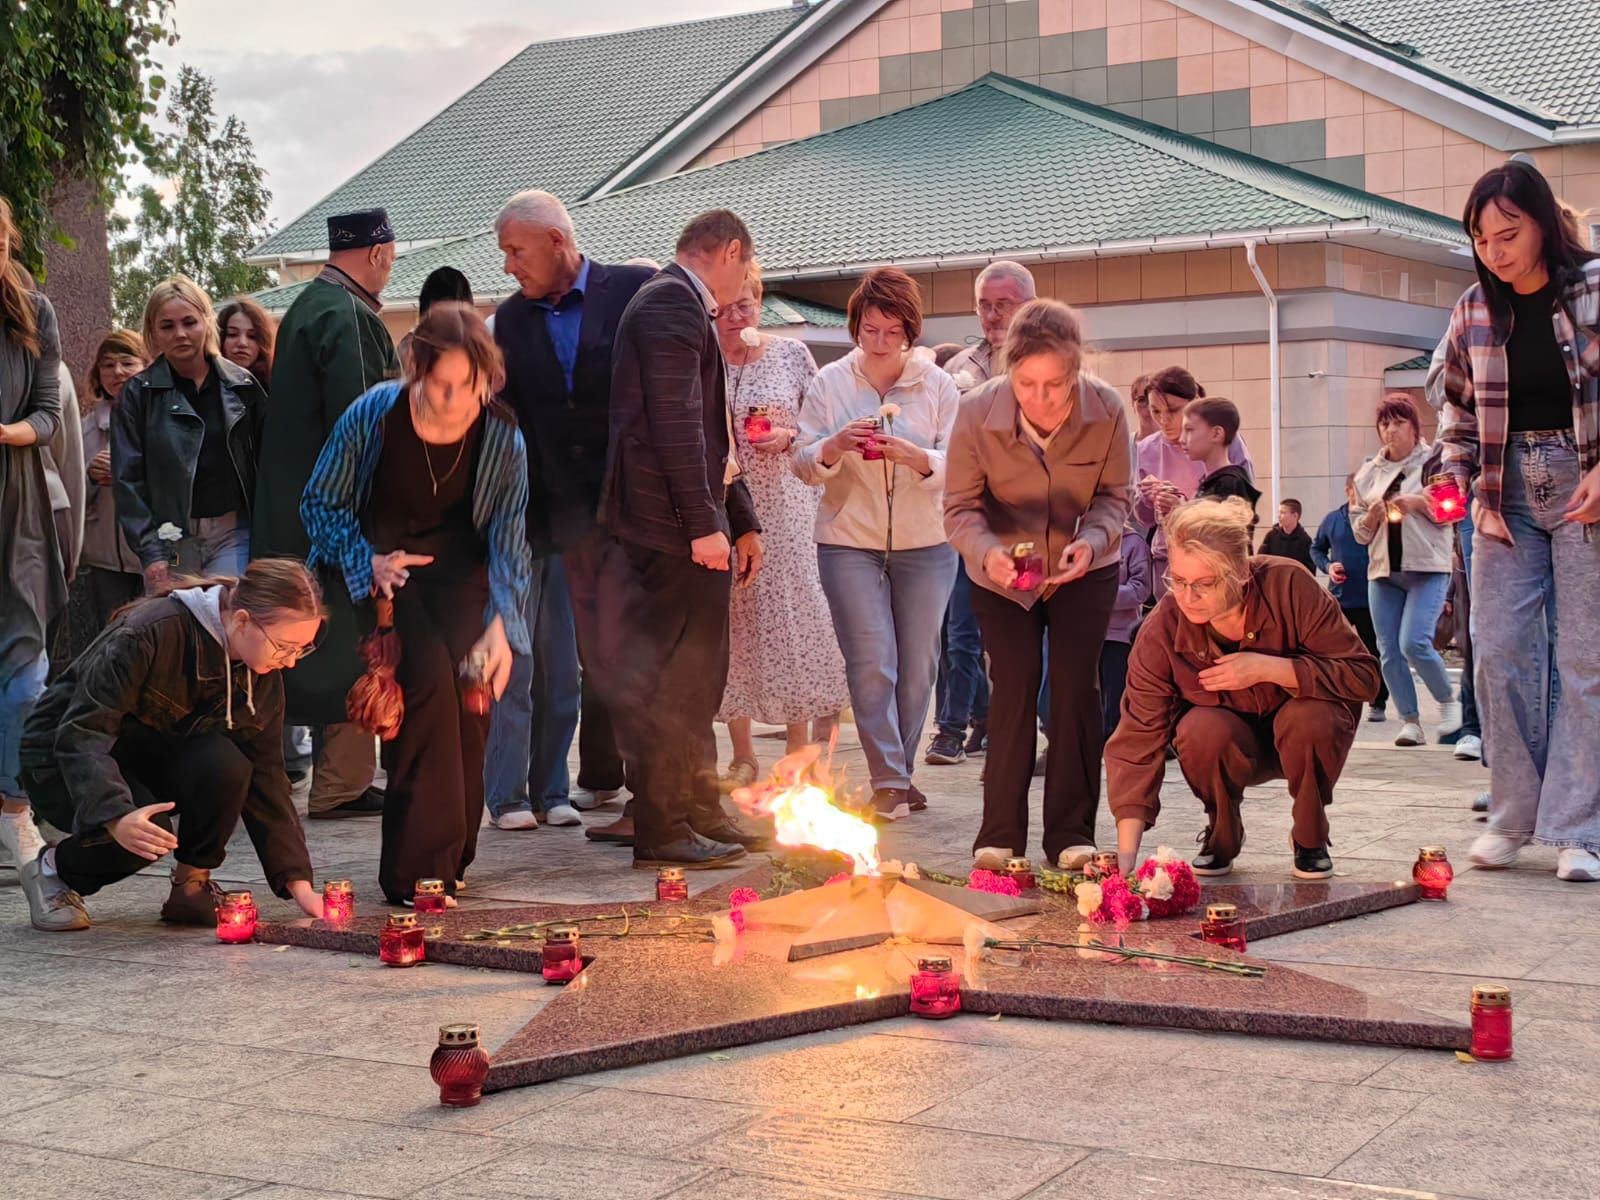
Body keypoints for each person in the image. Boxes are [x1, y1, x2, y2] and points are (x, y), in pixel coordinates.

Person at [301, 302, 532, 904]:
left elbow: (511, 538)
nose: (455, 400)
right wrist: (367, 561)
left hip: (468, 583)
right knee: (426, 693)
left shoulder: (503, 434)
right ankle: (416, 875)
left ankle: (452, 860)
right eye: (441, 384)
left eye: (469, 386)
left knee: (472, 704)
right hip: (387, 580)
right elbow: (319, 504)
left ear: (488, 378)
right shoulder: (374, 415)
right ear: (416, 371)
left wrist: (502, 627)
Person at [1436, 161, 1600, 881]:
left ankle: (1578, 828)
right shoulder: (1473, 308)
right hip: (1504, 496)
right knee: (1496, 649)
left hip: (1586, 480)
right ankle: (1513, 814)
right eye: (1482, 237)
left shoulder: (1594, 290)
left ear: (1542, 224)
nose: (1496, 250)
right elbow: (1455, 417)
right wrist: (1466, 490)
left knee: (1585, 660)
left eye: (1509, 233)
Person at [585, 209, 765, 869]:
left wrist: (739, 516)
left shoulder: (681, 304)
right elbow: (675, 426)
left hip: (684, 524)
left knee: (700, 678)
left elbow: (711, 432)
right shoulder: (669, 305)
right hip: (666, 530)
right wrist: (702, 526)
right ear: (731, 251)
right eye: (745, 264)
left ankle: (699, 810)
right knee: (676, 680)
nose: (744, 279)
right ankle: (662, 827)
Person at [14, 559, 327, 931]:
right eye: (285, 646)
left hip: (143, 749)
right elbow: (83, 731)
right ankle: (53, 870)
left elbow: (268, 776)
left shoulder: (260, 670)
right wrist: (114, 813)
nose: (290, 662)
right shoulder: (150, 632)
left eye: (302, 650)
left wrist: (298, 882)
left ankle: (191, 885)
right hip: (60, 756)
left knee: (228, 765)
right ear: (242, 620)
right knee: (147, 830)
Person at [945, 298, 1132, 868]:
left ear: (1077, 369)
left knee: (1077, 690)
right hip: (1002, 573)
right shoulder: (976, 412)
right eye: (1027, 383)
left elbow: (1114, 498)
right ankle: (998, 834)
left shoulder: (1109, 409)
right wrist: (989, 553)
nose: (1041, 398)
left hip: (1084, 568)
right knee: (1015, 685)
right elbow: (958, 508)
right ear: (1009, 368)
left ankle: (1071, 835)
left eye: (1056, 384)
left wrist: (1092, 541)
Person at [487, 191, 653, 833]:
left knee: (641, 657)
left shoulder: (633, 290)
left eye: (516, 251)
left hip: (633, 514)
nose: (509, 266)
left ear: (558, 241)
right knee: (585, 664)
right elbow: (511, 418)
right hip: (552, 526)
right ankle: (531, 790)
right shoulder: (510, 320)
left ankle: (656, 799)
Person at [1107, 497, 1381, 879]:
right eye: (1178, 581)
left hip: (1301, 733)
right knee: (1199, 728)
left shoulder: (1290, 584)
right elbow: (1138, 736)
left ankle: (1309, 835)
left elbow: (1363, 677)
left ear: (1239, 573)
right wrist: (1125, 856)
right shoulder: (1163, 627)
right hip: (1227, 743)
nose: (1187, 597)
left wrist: (1272, 669)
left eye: (1203, 583)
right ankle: (1222, 832)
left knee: (1311, 716)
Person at [794, 268, 959, 820]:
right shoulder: (830, 382)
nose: (881, 342)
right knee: (872, 662)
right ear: (855, 327)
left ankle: (900, 774)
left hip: (928, 541)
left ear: (910, 330)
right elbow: (802, 460)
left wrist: (918, 458)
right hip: (847, 540)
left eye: (892, 331)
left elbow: (959, 462)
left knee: (917, 668)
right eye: (870, 330)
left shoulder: (937, 385)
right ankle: (888, 779)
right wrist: (835, 446)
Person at [254, 208, 399, 821]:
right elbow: (367, 427)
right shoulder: (348, 317)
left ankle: (323, 779)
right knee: (347, 634)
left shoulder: (306, 311)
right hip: (336, 513)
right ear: (381, 254)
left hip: (289, 510)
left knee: (299, 633)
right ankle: (341, 783)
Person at [715, 261, 848, 782]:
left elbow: (821, 428)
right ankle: (743, 753)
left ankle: (797, 751)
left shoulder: (791, 353)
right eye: (723, 308)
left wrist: (790, 435)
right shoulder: (703, 360)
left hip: (786, 503)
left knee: (792, 619)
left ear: (759, 302)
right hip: (729, 503)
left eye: (743, 305)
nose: (733, 316)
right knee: (736, 620)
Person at [926, 264, 1035, 766]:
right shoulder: (959, 369)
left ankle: (1022, 730)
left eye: (1003, 305)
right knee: (960, 630)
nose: (992, 316)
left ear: (1027, 306)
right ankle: (951, 728)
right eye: (984, 305)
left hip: (1032, 522)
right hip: (973, 519)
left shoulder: (1049, 362)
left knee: (1024, 636)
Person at [114, 277, 263, 593]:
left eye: (189, 322)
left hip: (232, 531)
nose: (180, 333)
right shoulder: (137, 395)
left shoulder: (242, 385)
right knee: (179, 633)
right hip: (171, 537)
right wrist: (151, 552)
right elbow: (128, 481)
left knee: (230, 628)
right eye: (167, 326)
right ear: (153, 331)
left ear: (207, 321)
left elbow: (266, 464)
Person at [0, 194, 65, 880]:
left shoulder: (33, 310)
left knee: (24, 677)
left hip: (15, 499)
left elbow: (47, 415)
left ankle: (13, 808)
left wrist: (7, 432)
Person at [1352, 393, 1458, 748]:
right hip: (1383, 571)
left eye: (1399, 422)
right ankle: (1410, 721)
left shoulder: (1435, 462)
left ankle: (1447, 702)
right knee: (1388, 649)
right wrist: (1371, 516)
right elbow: (1359, 532)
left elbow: (1453, 512)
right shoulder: (1368, 472)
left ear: (1415, 427)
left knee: (1413, 641)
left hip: (1427, 567)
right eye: (1385, 423)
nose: (1391, 430)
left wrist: (1417, 502)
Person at [1137, 365, 1255, 599]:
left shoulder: (1223, 443)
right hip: (1168, 560)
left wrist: (1181, 508)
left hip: (1217, 561)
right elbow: (1144, 519)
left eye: (1173, 410)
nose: (1164, 420)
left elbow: (1241, 510)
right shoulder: (1145, 449)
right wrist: (1148, 499)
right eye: (1155, 411)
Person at [77, 331, 150, 625]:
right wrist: (90, 477)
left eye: (127, 362)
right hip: (106, 558)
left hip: (157, 552)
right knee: (111, 639)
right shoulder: (83, 431)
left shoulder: (164, 419)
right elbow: (68, 498)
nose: (117, 372)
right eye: (107, 365)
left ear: (147, 366)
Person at [1311, 474, 1389, 722]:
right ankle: (1333, 698)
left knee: (1374, 652)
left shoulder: (1378, 520)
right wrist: (1328, 565)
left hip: (1371, 598)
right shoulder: (1332, 520)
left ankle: (1378, 702)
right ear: (1348, 491)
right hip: (1340, 599)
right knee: (1331, 651)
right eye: (1359, 488)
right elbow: (1316, 549)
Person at [1101, 518, 1150, 739]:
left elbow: (1141, 589)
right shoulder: (1084, 541)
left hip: (1119, 635)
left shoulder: (1133, 543)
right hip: (1086, 634)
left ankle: (1116, 743)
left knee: (1115, 696)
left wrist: (1103, 595)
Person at [1182, 396, 1262, 514]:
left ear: (1216, 434)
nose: (1181, 439)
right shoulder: (1212, 480)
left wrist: (1180, 511)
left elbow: (1218, 529)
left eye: (1189, 430)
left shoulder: (1229, 484)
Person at [217, 296, 275, 393]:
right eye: (233, 334)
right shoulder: (204, 383)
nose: (242, 343)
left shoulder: (276, 387)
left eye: (252, 336)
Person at [1259, 499, 1315, 570]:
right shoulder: (1271, 536)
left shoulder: (1305, 541)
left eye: (1283, 513)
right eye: (1278, 512)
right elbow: (1260, 562)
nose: (1278, 516)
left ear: (1295, 516)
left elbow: (1309, 570)